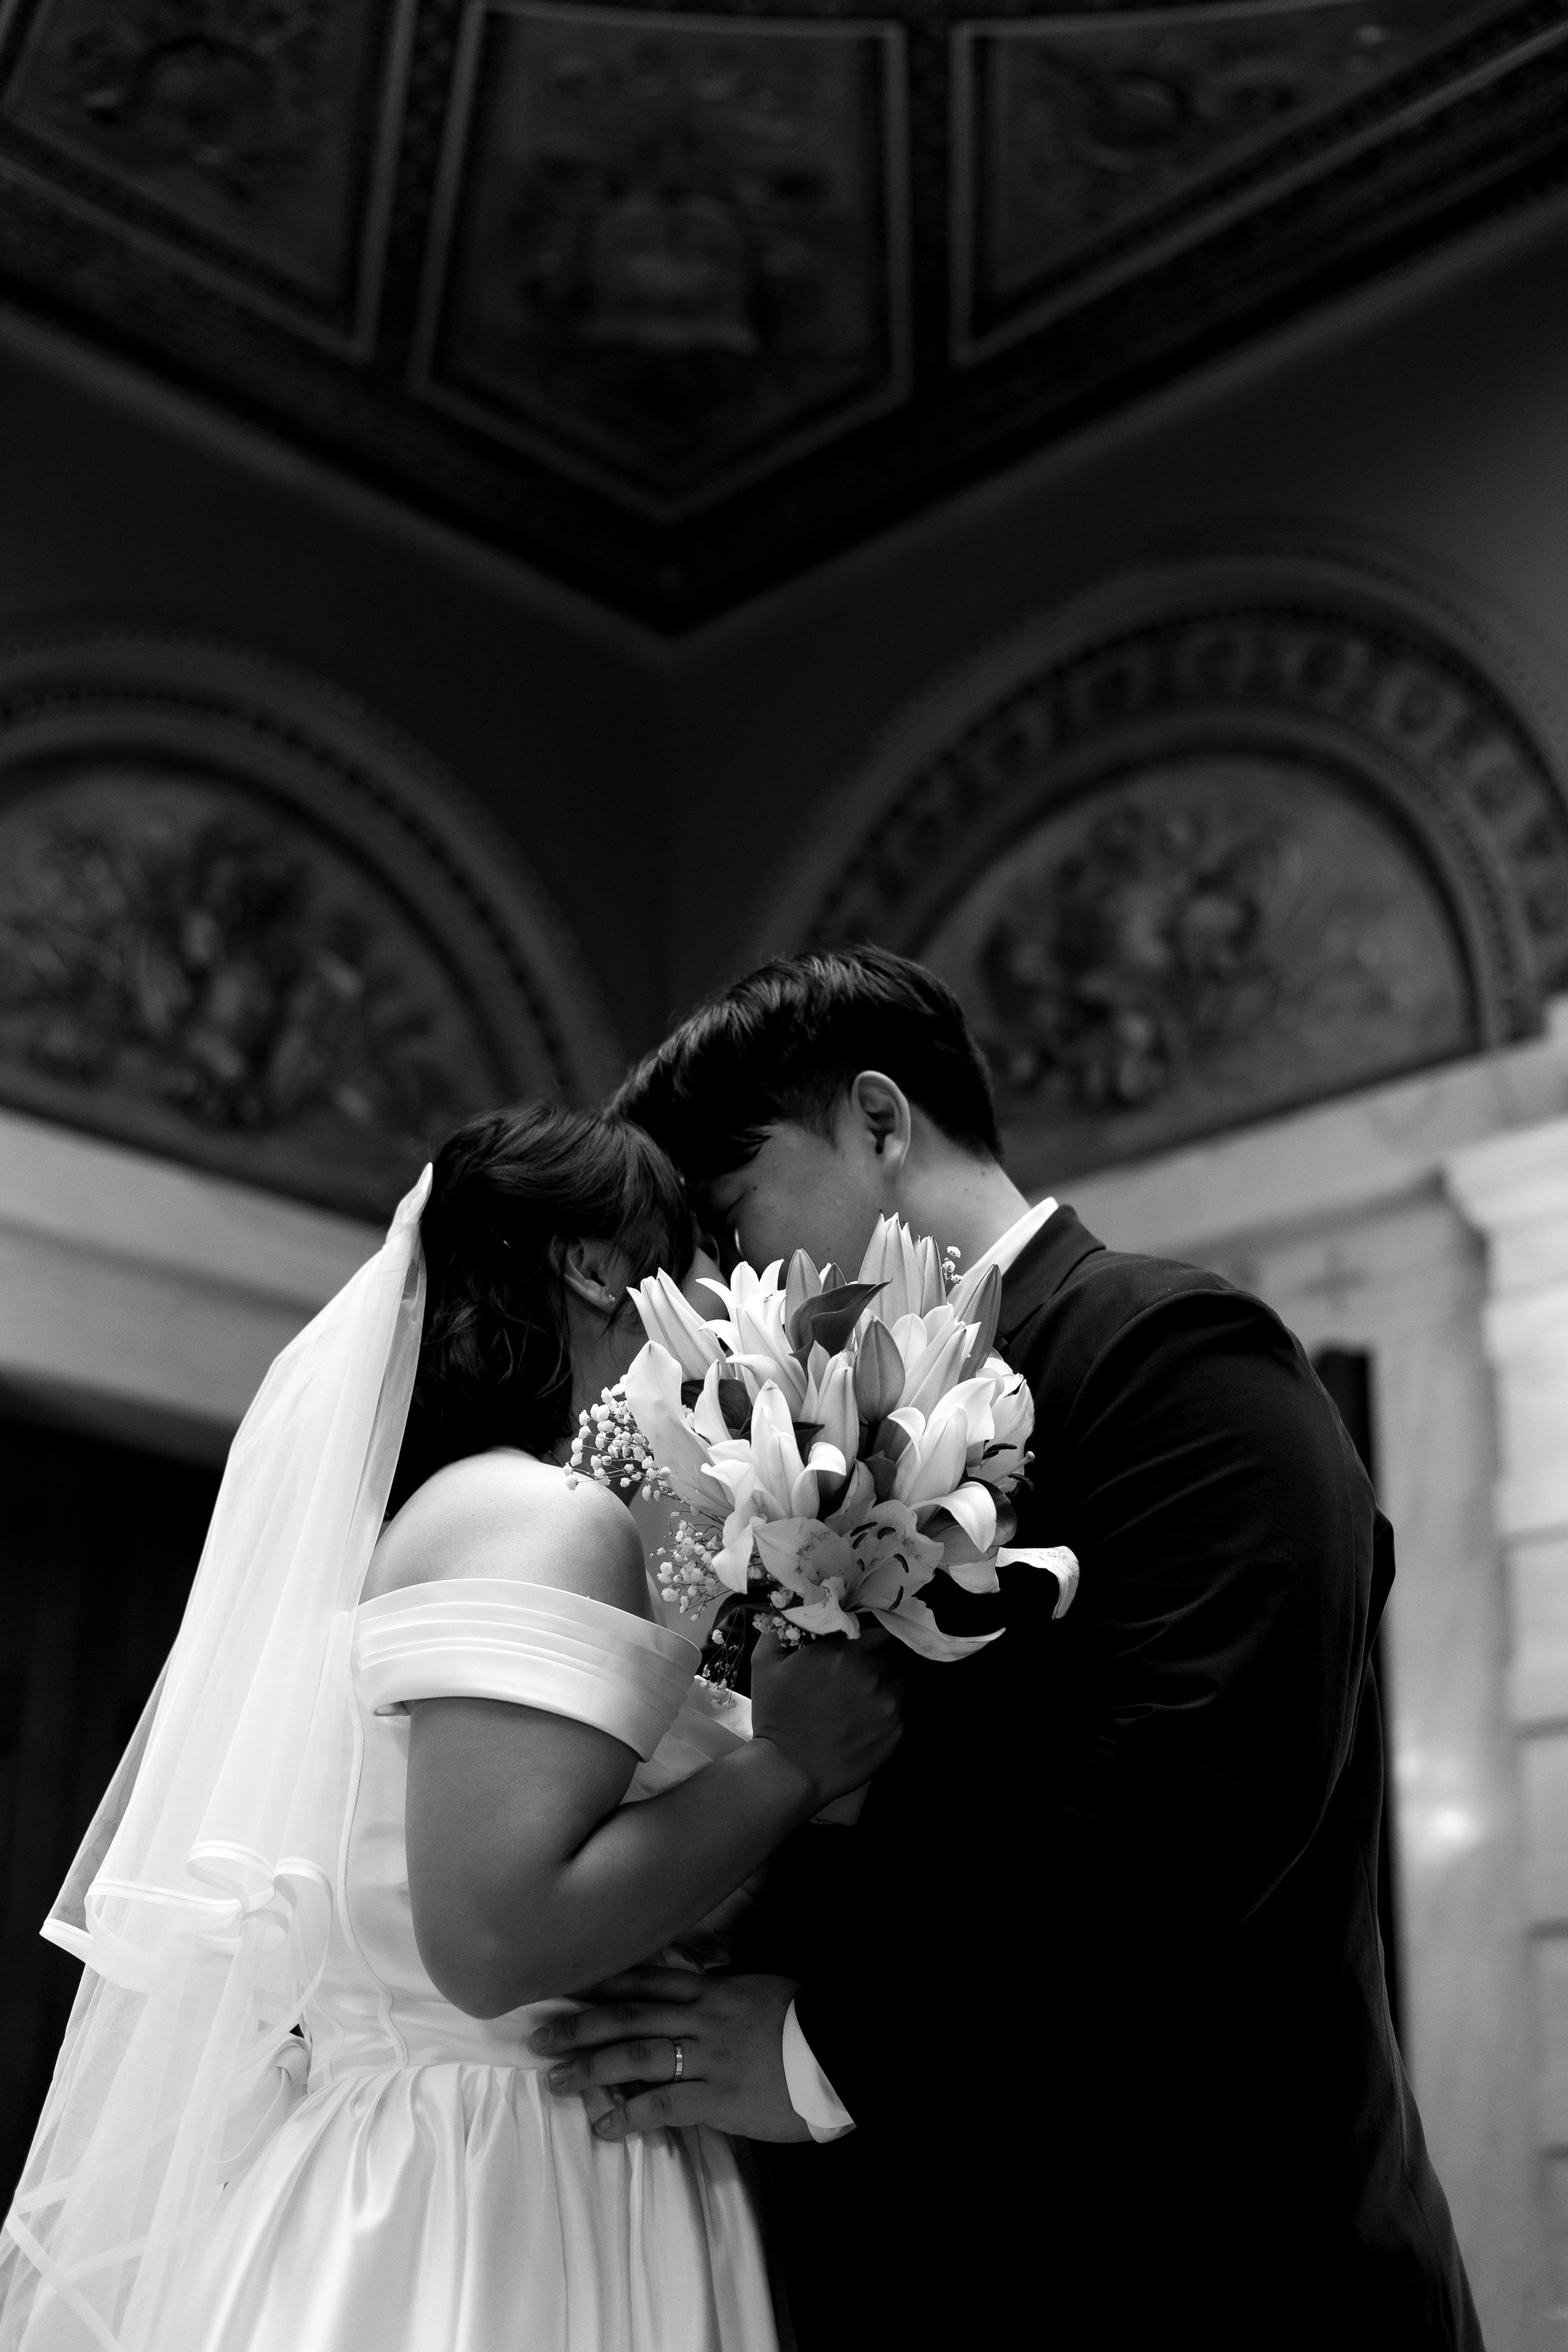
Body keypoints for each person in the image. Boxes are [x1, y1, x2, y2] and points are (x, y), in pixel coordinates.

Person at [543, 946, 1484, 2351]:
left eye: (733, 1229)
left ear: (878, 1122)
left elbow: (1190, 1811)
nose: (725, 1294)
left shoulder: (1177, 1364)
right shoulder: (772, 1442)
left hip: (1214, 2268)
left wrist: (819, 2049)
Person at [0, 1102, 901, 2352]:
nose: (722, 1298)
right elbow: (492, 1937)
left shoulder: (458, 1518)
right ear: (596, 1266)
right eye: (696, 1259)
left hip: (530, 2147)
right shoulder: (538, 1516)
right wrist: (793, 1763)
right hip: (491, 2185)